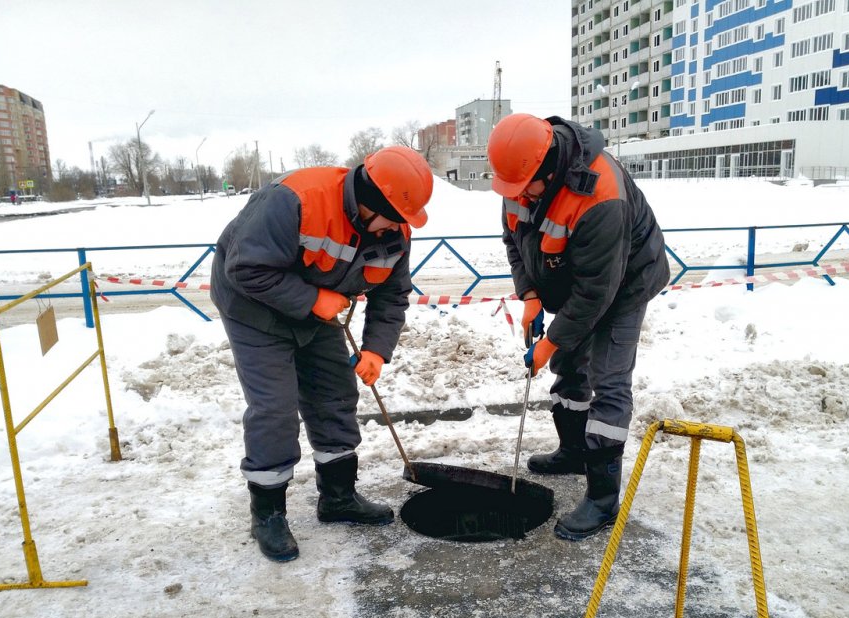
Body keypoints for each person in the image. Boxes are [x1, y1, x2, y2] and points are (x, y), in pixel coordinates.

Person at [209, 146, 434, 562]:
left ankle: (338, 497)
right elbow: (243, 268)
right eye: (396, 217)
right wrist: (313, 298)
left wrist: (376, 352)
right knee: (274, 408)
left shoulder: (393, 231)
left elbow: (392, 295)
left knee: (335, 394)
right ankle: (268, 514)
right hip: (253, 308)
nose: (400, 228)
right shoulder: (295, 200)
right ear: (372, 202)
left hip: (319, 312)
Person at [487, 113, 670, 541]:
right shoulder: (519, 180)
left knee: (608, 379)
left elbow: (595, 295)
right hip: (577, 282)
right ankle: (572, 451)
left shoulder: (602, 195)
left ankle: (604, 501)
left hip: (623, 284)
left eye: (525, 189)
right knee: (570, 364)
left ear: (548, 170)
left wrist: (549, 342)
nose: (519, 198)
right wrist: (529, 296)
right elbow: (514, 242)